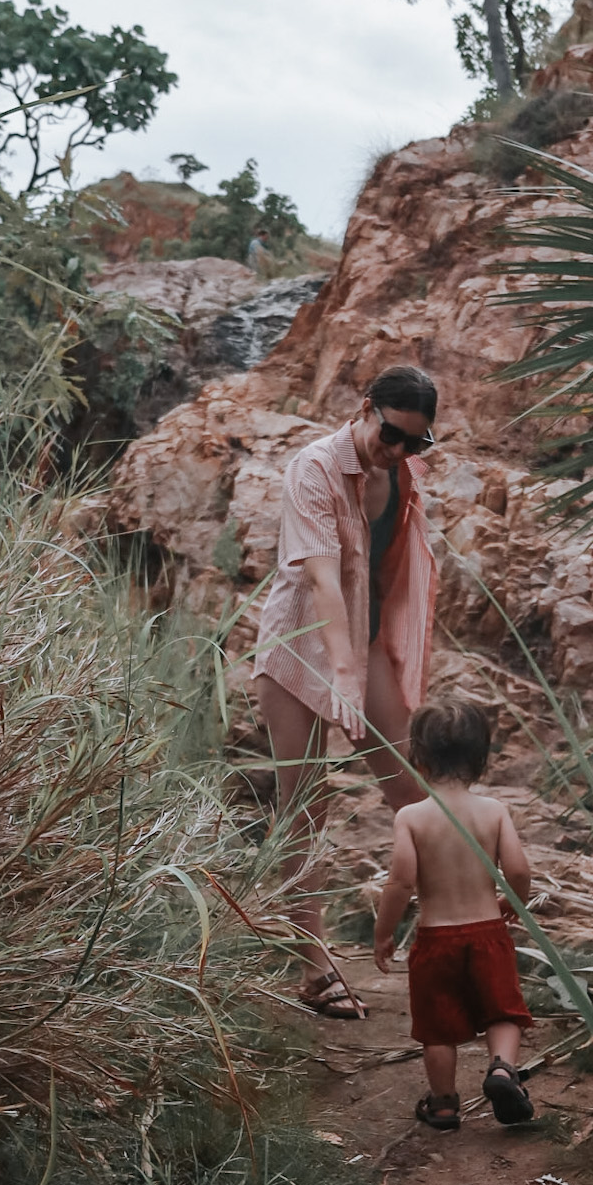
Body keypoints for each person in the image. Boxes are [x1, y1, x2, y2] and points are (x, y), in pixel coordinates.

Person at [252, 364, 439, 1019]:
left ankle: (451, 932)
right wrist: (345, 673)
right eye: (392, 435)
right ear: (365, 409)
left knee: (416, 792)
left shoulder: (401, 473)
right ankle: (314, 964)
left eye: (415, 443)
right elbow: (326, 578)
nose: (399, 451)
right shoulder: (315, 468)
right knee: (305, 807)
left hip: (363, 641)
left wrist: (371, 660)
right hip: (299, 649)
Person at [373, 698, 535, 1132]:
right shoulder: (494, 811)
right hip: (488, 932)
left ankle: (444, 1104)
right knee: (502, 1011)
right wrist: (512, 902)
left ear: (418, 757)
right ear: (481, 758)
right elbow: (518, 869)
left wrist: (383, 933)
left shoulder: (412, 817)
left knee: (438, 1028)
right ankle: (503, 1069)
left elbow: (401, 882)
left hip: (436, 938)